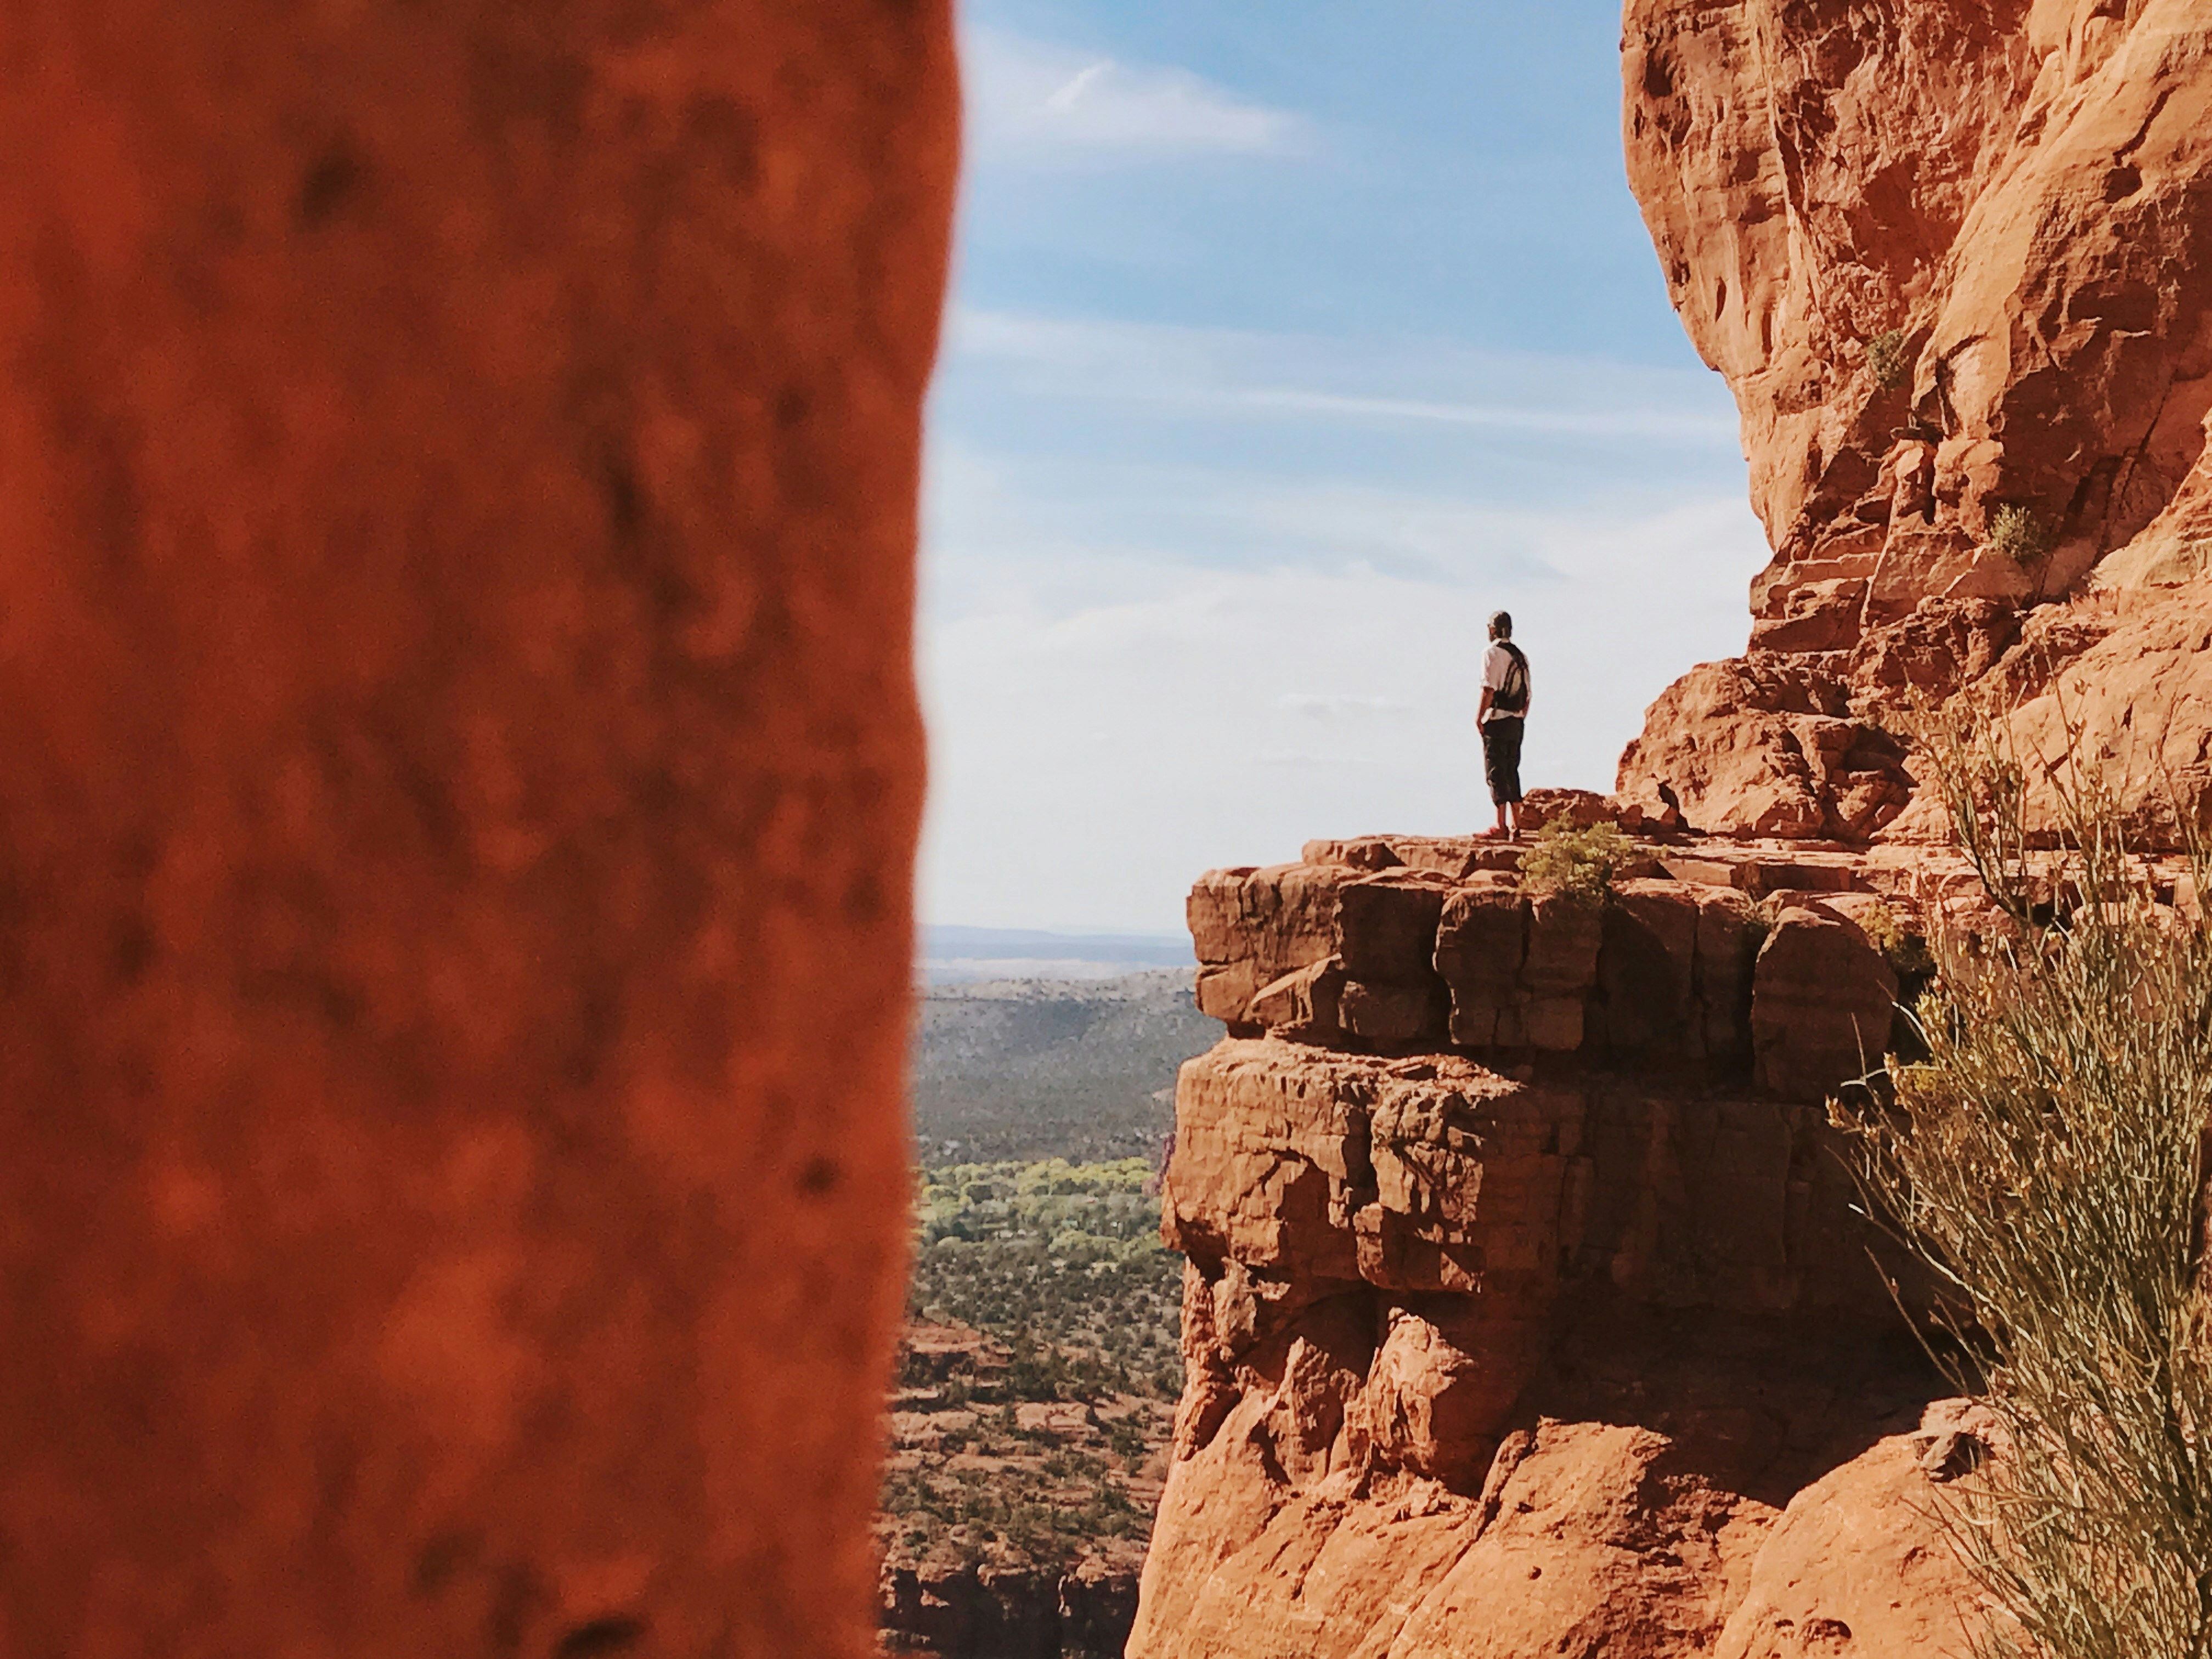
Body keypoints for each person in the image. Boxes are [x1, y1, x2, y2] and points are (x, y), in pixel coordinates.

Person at [1477, 610, 1530, 838]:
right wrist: (1519, 717)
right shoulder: (1521, 656)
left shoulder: (1491, 653)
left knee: (1496, 771)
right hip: (1517, 721)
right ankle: (1517, 825)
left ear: (1492, 629)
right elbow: (1528, 695)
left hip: (1497, 718)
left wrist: (1479, 717)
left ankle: (1500, 826)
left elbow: (1489, 688)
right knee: (1512, 769)